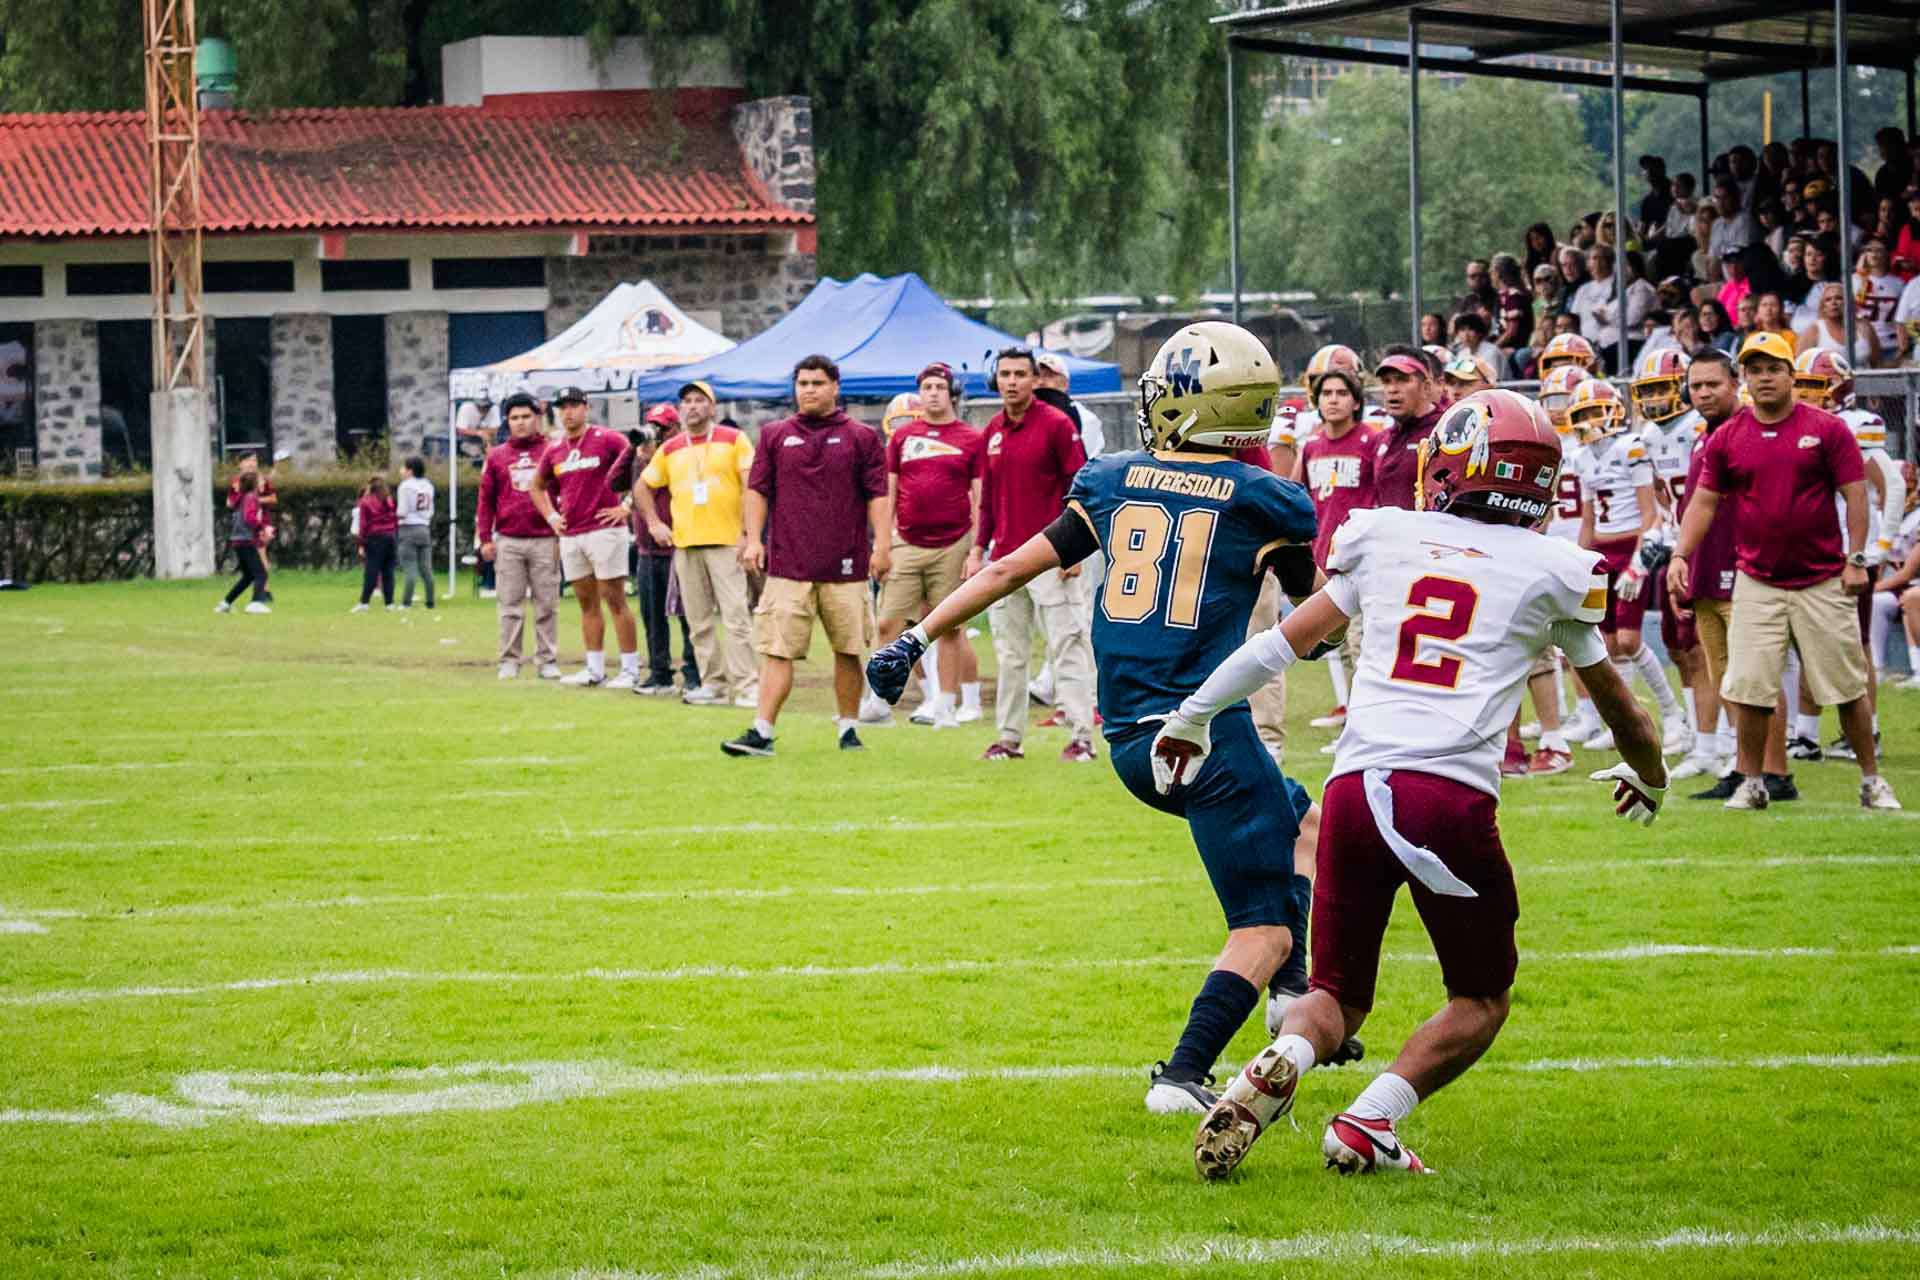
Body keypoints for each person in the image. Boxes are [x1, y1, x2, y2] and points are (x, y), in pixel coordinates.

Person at [1162, 388, 1666, 1181]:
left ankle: (1289, 1053)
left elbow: (1276, 648)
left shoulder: (1386, 536)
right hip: (1446, 799)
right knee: (1481, 997)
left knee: (1336, 994)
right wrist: (1651, 776)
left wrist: (1193, 715)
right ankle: (1370, 1119)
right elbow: (1624, 713)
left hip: (1354, 791)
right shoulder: (1555, 570)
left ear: (1449, 466)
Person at [867, 321, 1356, 1117]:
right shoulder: (1266, 499)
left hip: (1128, 737)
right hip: (1206, 733)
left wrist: (915, 637)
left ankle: (1290, 993)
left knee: (1304, 820)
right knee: (1261, 929)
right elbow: (1319, 624)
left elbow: (1006, 567)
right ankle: (1182, 1073)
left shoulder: (1113, 478)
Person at [1667, 332, 1900, 810]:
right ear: (1746, 378)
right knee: (1749, 688)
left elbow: (1856, 494)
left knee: (1846, 686)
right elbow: (1703, 503)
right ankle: (1753, 782)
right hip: (1756, 578)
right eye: (1755, 370)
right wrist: (1679, 554)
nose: (1764, 378)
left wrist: (1857, 558)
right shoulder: (1727, 437)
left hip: (1821, 576)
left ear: (1791, 375)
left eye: (1773, 368)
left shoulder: (1827, 428)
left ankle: (1872, 779)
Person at [723, 355, 888, 757]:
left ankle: (848, 730)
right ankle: (762, 731)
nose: (809, 390)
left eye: (817, 383)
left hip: (846, 565)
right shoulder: (774, 434)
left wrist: (882, 545)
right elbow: (757, 490)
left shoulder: (861, 437)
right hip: (788, 566)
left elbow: (878, 495)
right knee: (778, 650)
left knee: (848, 649)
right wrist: (753, 539)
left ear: (835, 387)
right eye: (802, 383)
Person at [968, 347, 1096, 763]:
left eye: (1020, 374)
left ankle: (1082, 737)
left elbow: (1079, 490)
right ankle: (1008, 740)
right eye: (1005, 374)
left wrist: (1075, 548)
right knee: (1010, 654)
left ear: (1034, 381)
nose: (1011, 382)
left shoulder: (1057, 424)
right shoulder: (993, 431)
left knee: (1067, 645)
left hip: (1051, 555)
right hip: (1006, 559)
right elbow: (988, 498)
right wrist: (977, 549)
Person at [1788, 349, 1905, 760]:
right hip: (1812, 550)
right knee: (1807, 643)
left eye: (1814, 386)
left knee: (1855, 646)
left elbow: (1891, 484)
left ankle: (1866, 732)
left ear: (1840, 389)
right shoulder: (1796, 425)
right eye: (1800, 385)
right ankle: (1806, 735)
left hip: (1848, 554)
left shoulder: (1855, 424)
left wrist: (1880, 547)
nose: (1805, 394)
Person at [1562, 378, 1688, 755]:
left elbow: (1650, 513)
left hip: (1631, 546)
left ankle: (1672, 714)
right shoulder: (1581, 457)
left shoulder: (1630, 447)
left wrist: (1638, 561)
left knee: (1630, 641)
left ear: (1613, 411)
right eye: (1582, 414)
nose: (1588, 421)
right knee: (1610, 644)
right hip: (1602, 551)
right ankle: (1625, 722)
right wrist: (1578, 562)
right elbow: (1588, 520)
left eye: (1593, 412)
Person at [871, 362, 984, 730]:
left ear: (951, 393)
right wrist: (883, 543)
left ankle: (946, 708)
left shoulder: (971, 438)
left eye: (939, 387)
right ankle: (881, 701)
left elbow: (980, 497)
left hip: (953, 542)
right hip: (906, 541)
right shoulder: (903, 439)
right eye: (927, 387)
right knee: (888, 623)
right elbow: (888, 493)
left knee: (948, 627)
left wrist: (976, 550)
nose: (933, 393)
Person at [641, 380, 758, 708]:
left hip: (727, 542)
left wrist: (748, 534)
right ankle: (713, 683)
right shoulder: (671, 447)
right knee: (698, 620)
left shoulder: (733, 439)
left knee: (736, 617)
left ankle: (747, 685)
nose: (692, 406)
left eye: (699, 400)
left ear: (712, 407)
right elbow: (643, 486)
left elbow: (751, 486)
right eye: (687, 401)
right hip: (686, 544)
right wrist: (654, 522)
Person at [1629, 345, 1716, 776]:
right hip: (1676, 547)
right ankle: (1698, 734)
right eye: (1647, 390)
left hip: (1708, 545)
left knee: (1705, 649)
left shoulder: (1701, 427)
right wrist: (1652, 548)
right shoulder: (1647, 436)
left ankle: (1717, 742)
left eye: (1661, 388)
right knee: (1679, 647)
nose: (1654, 398)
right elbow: (1662, 505)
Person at [531, 386, 639, 689]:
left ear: (586, 407)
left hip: (605, 529)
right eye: (563, 407)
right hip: (572, 532)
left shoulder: (609, 439)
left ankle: (630, 669)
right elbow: (536, 486)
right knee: (586, 602)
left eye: (574, 406)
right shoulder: (555, 449)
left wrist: (626, 506)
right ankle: (594, 668)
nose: (568, 412)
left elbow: (641, 469)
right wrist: (552, 516)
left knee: (614, 598)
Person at [1291, 361, 1377, 742]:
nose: (1334, 400)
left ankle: (1365, 732)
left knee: (1362, 646)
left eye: (1342, 393)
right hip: (1324, 560)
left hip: (1361, 561)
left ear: (1356, 401)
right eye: (1327, 393)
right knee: (1339, 647)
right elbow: (1297, 495)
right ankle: (1353, 725)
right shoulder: (1311, 447)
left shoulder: (1371, 442)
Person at [476, 392, 565, 679]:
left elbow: (565, 491)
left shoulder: (553, 450)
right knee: (510, 604)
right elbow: (485, 500)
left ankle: (547, 660)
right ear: (507, 421)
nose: (521, 422)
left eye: (526, 416)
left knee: (547, 603)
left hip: (546, 538)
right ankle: (509, 660)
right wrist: (485, 538)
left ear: (537, 417)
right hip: (509, 539)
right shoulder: (496, 456)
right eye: (514, 418)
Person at [630, 405, 699, 695]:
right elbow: (615, 482)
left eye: (662, 428)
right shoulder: (643, 458)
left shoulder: (683, 454)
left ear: (676, 428)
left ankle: (694, 674)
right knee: (652, 616)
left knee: (689, 615)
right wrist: (633, 451)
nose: (656, 434)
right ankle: (659, 674)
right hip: (647, 550)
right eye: (652, 427)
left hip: (679, 545)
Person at [1366, 349, 1444, 511]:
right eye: (1386, 381)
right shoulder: (1382, 438)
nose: (1392, 389)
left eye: (1402, 380)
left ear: (1426, 387)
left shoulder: (1445, 431)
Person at [215, 470, 272, 615]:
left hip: (239, 541)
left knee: (248, 576)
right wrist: (262, 528)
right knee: (261, 573)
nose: (263, 483)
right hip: (245, 541)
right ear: (254, 483)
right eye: (261, 480)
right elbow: (249, 517)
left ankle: (225, 604)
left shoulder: (243, 497)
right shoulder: (251, 497)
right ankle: (256, 603)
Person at [1034, 351, 1105, 458]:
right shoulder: (1023, 415)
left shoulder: (1085, 419)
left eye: (1048, 376)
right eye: (1037, 376)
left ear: (1065, 384)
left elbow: (1083, 462)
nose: (1040, 382)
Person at [394, 455, 435, 612]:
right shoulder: (428, 485)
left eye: (403, 467)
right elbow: (430, 510)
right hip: (424, 528)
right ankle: (430, 602)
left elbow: (402, 511)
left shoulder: (405, 486)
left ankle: (406, 603)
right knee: (426, 569)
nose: (401, 470)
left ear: (410, 470)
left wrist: (393, 516)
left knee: (410, 569)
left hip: (408, 528)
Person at [352, 473, 398, 612]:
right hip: (390, 537)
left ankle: (364, 603)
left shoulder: (366, 501)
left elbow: (363, 524)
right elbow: (395, 518)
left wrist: (361, 542)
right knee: (388, 572)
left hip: (375, 538)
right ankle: (389, 603)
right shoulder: (389, 500)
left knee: (371, 571)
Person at [1853, 239, 1904, 365]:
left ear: (1887, 254)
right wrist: (1862, 275)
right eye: (1869, 250)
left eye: (1878, 250)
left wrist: (1902, 347)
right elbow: (1855, 306)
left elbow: (1903, 318)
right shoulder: (1854, 280)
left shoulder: (1898, 283)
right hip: (1863, 344)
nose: (1874, 254)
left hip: (1891, 345)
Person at [1448, 312, 1507, 381]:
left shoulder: (1491, 352)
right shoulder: (1462, 354)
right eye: (1462, 330)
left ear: (1479, 332)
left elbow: (1492, 381)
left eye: (1470, 329)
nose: (1466, 335)